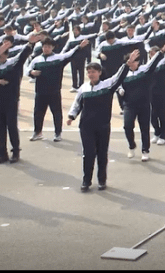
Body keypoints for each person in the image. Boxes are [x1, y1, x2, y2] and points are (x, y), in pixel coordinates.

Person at [66, 58, 129, 191]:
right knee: (88, 153)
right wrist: (71, 116)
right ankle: (86, 181)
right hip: (86, 126)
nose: (91, 74)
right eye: (89, 72)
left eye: (93, 71)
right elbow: (77, 104)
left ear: (99, 72)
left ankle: (101, 180)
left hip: (103, 125)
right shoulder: (84, 88)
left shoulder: (107, 85)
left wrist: (127, 64)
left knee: (102, 153)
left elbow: (119, 76)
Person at [0, 35, 38, 164]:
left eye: (0, 53)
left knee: (12, 126)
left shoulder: (13, 63)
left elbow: (23, 55)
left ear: (6, 54)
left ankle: (15, 152)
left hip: (11, 100)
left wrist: (30, 44)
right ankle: (2, 154)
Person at [26, 36, 89, 143]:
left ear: (52, 47)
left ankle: (58, 133)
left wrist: (79, 47)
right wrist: (31, 73)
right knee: (38, 112)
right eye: (45, 46)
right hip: (40, 91)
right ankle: (37, 132)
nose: (46, 48)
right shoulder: (36, 60)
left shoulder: (58, 58)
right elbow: (27, 69)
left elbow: (70, 54)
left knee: (56, 112)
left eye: (49, 47)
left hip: (54, 91)